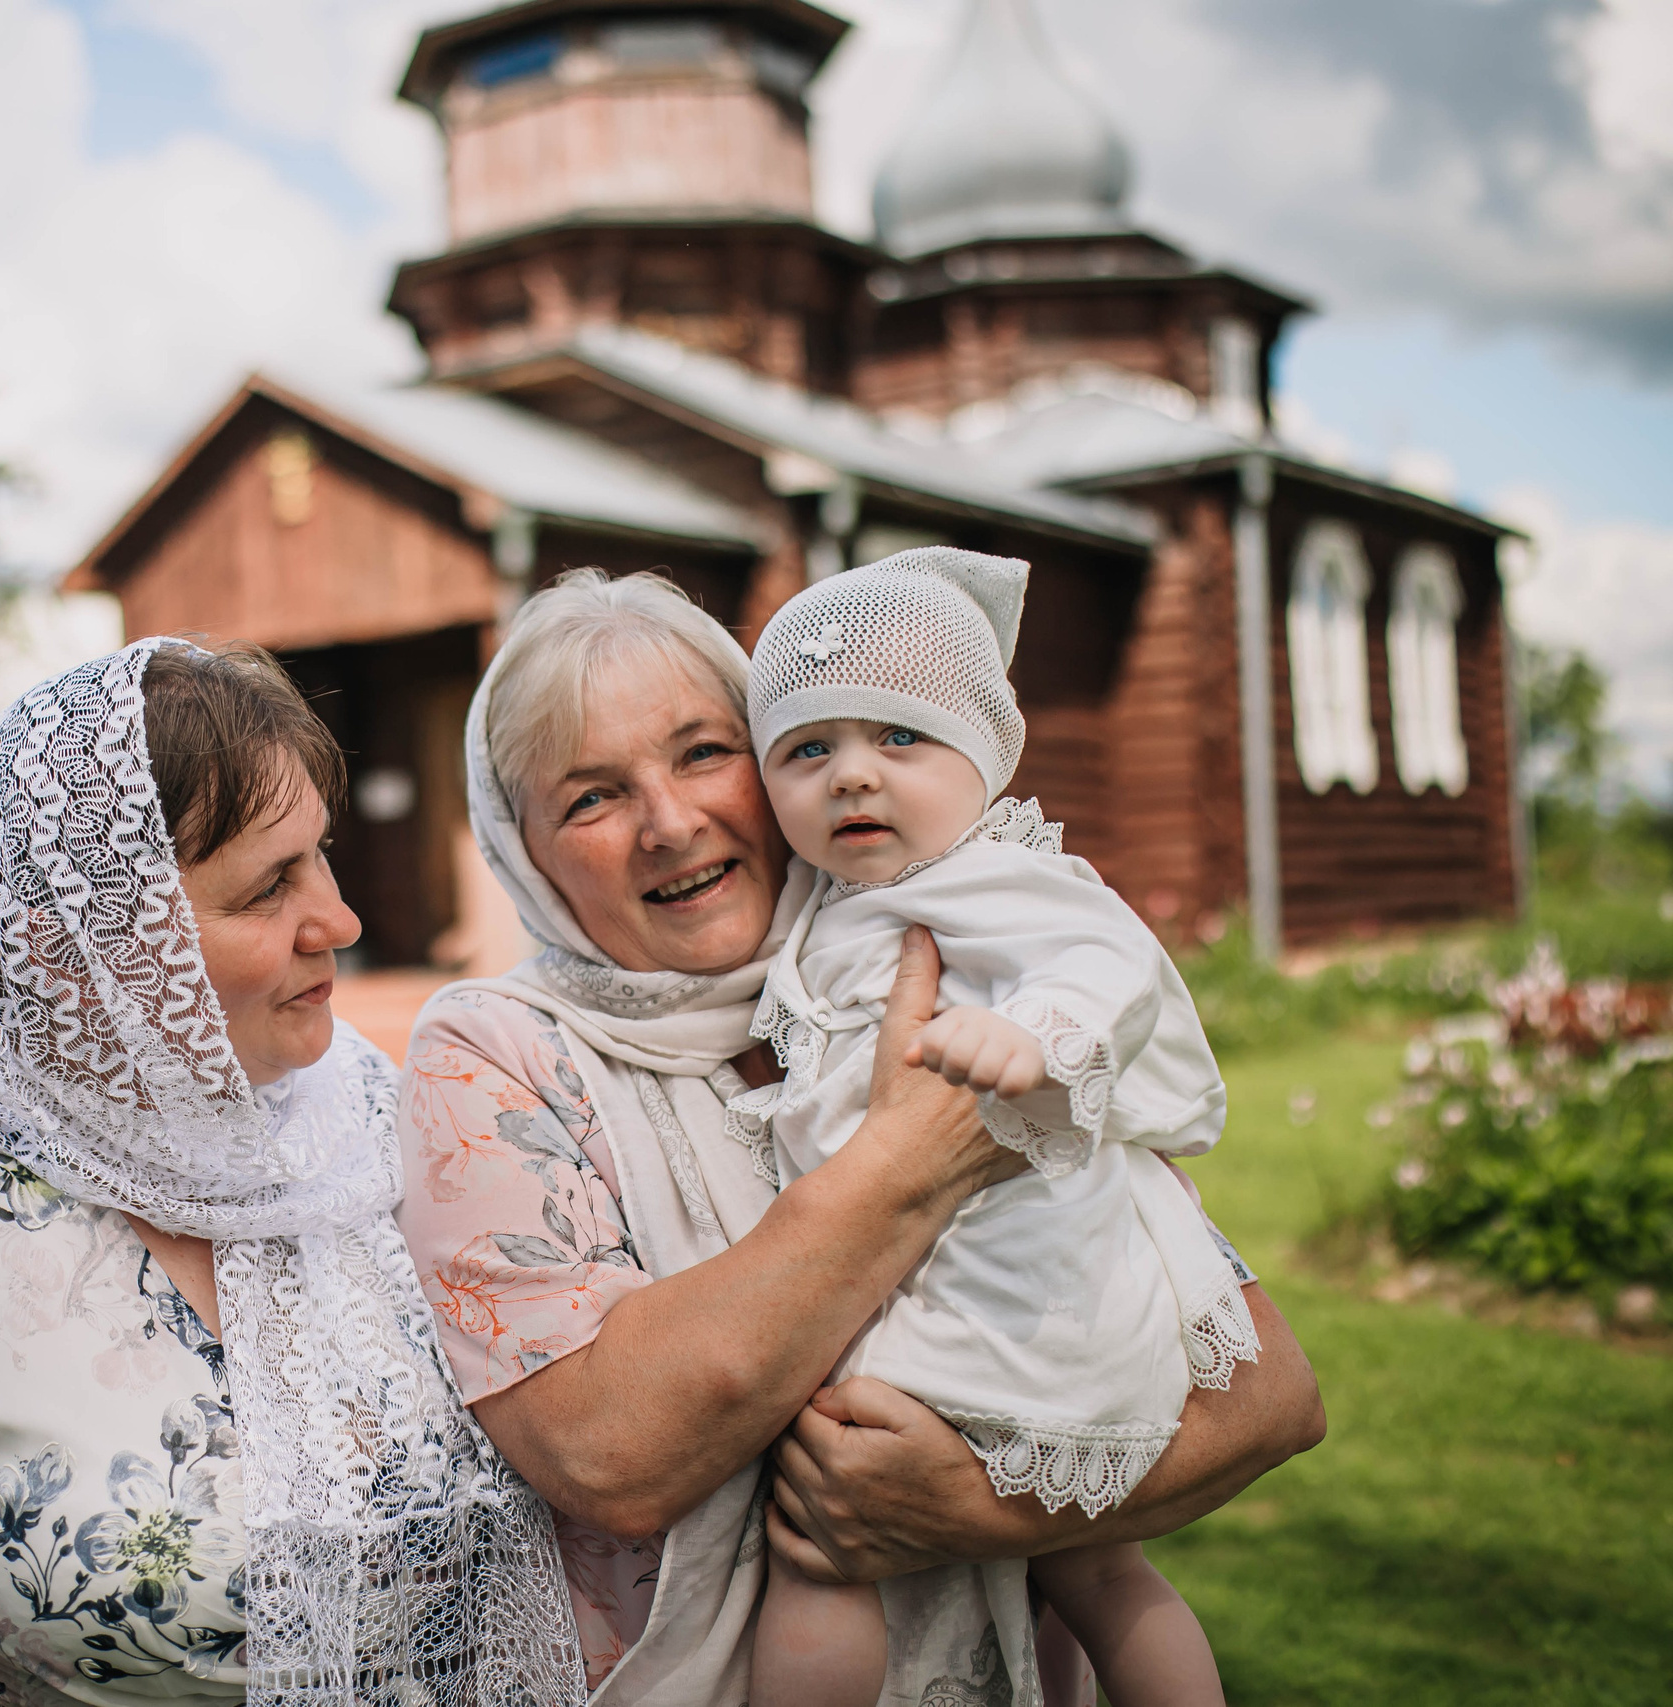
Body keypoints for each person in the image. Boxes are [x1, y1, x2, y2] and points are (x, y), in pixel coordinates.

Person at [393, 569, 1326, 1706]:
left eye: (702, 752)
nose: (670, 823)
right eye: (591, 798)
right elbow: (608, 1453)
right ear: (522, 849)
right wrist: (910, 1158)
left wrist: (971, 1506)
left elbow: (1270, 1394)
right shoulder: (496, 1054)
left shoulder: (938, 937)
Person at [0, 640, 589, 1707]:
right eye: (267, 887)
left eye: (317, 856)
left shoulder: (380, 1129)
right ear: (82, 954)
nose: (339, 920)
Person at [742, 549, 1242, 1707]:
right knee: (1082, 1571)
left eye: (898, 740)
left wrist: (1036, 1035)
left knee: (831, 1556)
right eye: (808, 750)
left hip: (1013, 1280)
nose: (852, 777)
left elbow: (1108, 958)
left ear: (985, 755)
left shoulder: (994, 877)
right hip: (916, 1260)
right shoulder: (825, 904)